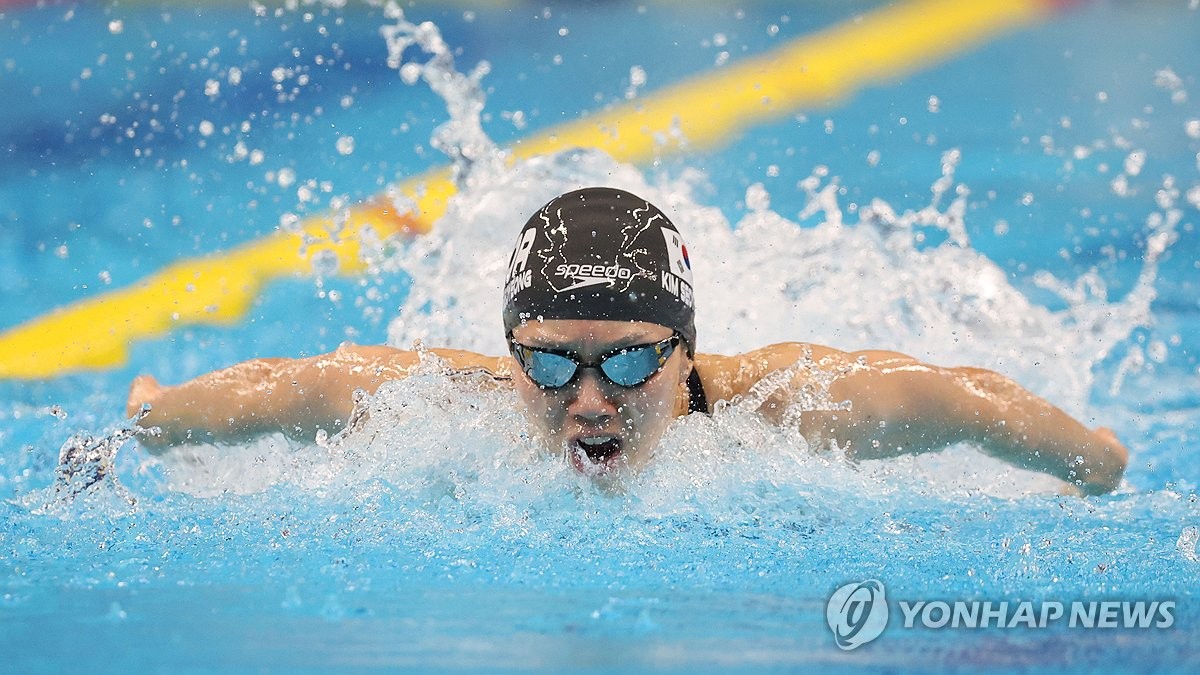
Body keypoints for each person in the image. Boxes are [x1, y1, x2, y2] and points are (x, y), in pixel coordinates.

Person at [127, 187, 1128, 493]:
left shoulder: (801, 409)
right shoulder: (446, 408)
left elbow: (965, 398)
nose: (593, 401)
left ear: (689, 349)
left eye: (638, 359)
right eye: (553, 362)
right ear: (515, 353)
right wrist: (152, 422)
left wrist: (1096, 465)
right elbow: (291, 384)